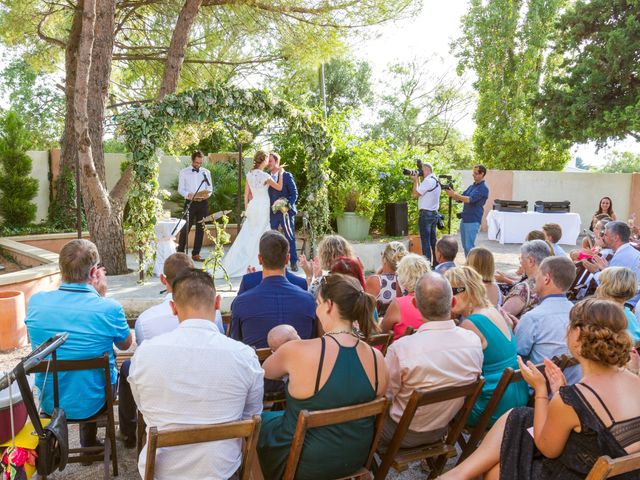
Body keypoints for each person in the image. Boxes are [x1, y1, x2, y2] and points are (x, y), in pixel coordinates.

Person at [440, 298, 640, 480]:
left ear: (577, 334)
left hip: (575, 472)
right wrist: (562, 390)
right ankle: (460, 474)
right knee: (520, 417)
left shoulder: (574, 398)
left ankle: (458, 474)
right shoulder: (634, 378)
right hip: (613, 470)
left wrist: (541, 389)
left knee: (497, 468)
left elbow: (548, 449)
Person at [128, 269, 264, 479]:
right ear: (217, 303)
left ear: (173, 308)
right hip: (222, 469)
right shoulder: (244, 356)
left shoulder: (145, 354)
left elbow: (144, 408)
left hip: (163, 471)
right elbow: (251, 416)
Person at [257, 274, 388, 480]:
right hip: (356, 457)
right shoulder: (377, 358)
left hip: (303, 461)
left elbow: (266, 371)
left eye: (317, 303)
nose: (316, 310)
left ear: (328, 305)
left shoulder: (297, 351)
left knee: (256, 424)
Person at [25, 239, 132, 448]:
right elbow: (126, 345)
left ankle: (63, 444)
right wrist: (100, 297)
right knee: (93, 371)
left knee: (74, 364)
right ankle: (90, 443)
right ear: (94, 273)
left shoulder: (36, 302)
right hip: (96, 400)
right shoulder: (109, 308)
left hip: (51, 399)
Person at [119, 253, 225, 447]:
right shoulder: (212, 312)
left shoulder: (146, 319)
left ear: (163, 279)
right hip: (204, 374)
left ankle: (128, 433)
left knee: (129, 367)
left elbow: (144, 356)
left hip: (161, 385)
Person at [381, 272, 483, 448]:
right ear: (452, 303)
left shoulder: (402, 349)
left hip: (400, 433)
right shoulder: (474, 342)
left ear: (415, 304)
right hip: (443, 427)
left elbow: (385, 396)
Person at [445, 267, 527, 427]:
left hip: (493, 403)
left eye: (450, 291)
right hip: (516, 393)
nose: (447, 297)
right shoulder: (492, 310)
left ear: (466, 290)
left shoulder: (471, 323)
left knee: (440, 403)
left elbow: (455, 368)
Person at [230, 230, 316, 348]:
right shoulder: (309, 300)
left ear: (260, 259)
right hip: (298, 364)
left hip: (258, 365)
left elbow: (235, 343)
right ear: (287, 259)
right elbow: (313, 340)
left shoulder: (241, 302)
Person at [217, 150, 284, 278]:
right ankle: (258, 262)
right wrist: (281, 173)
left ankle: (242, 261)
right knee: (260, 233)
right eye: (267, 159)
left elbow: (246, 195)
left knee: (248, 233)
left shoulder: (249, 174)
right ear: (263, 160)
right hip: (263, 206)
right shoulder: (265, 176)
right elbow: (279, 187)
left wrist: (247, 209)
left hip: (253, 207)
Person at [515, 256, 576, 368]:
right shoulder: (578, 312)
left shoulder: (533, 317)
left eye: (538, 275)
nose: (535, 279)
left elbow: (517, 355)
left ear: (546, 279)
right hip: (574, 380)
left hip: (540, 383)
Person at [380, 254, 432, 340]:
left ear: (403, 277)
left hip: (403, 350)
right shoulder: (437, 299)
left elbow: (383, 331)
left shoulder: (398, 304)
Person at [444, 164, 489, 256]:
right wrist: (451, 193)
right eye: (473, 173)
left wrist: (454, 194)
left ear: (482, 174)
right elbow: (460, 198)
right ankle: (468, 265)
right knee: (465, 246)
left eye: (476, 173)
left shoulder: (483, 188)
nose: (473, 175)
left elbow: (469, 199)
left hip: (473, 220)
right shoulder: (472, 187)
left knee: (469, 247)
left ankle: (472, 267)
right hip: (465, 219)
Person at [177, 151, 213, 261]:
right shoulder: (184, 172)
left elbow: (210, 188)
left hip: (203, 203)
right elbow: (180, 189)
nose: (198, 165)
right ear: (192, 160)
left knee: (200, 228)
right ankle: (180, 252)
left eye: (200, 163)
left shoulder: (206, 172)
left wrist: (207, 195)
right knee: (185, 227)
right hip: (190, 202)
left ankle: (196, 254)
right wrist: (188, 195)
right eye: (196, 162)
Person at [268, 152, 300, 271]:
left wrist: (286, 205)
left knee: (289, 237)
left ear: (277, 162)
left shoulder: (286, 175)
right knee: (272, 237)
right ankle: (274, 263)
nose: (268, 163)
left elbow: (294, 194)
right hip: (273, 213)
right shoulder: (266, 176)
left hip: (286, 213)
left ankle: (293, 262)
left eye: (270, 161)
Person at [502, 240, 551, 318]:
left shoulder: (523, 289)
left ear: (531, 261)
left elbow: (502, 317)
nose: (520, 262)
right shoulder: (553, 282)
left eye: (521, 258)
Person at [596, 267, 640, 342]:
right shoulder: (629, 315)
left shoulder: (603, 315)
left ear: (607, 288)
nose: (597, 287)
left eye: (600, 283)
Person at [365, 241, 407, 316]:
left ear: (384, 259)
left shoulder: (375, 281)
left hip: (381, 326)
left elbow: (366, 310)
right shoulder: (407, 280)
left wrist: (377, 274)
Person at [411, 162, 441, 264]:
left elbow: (415, 194)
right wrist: (418, 179)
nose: (421, 172)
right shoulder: (435, 180)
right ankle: (436, 263)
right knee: (433, 241)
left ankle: (427, 265)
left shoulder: (428, 181)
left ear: (427, 170)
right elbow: (420, 191)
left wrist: (415, 181)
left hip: (426, 214)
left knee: (425, 241)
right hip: (433, 214)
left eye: (422, 170)